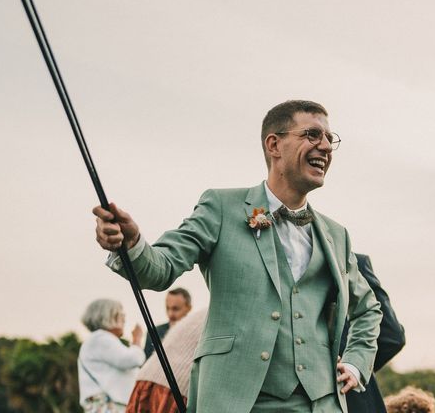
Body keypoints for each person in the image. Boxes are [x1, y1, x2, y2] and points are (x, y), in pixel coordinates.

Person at [93, 100, 382, 412]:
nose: (325, 146)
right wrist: (131, 242)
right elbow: (161, 268)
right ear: (275, 145)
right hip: (235, 400)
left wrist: (355, 362)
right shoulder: (221, 207)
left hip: (318, 402)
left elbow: (368, 308)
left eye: (329, 138)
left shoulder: (336, 235)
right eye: (312, 135)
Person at [340, 253, 405, 413]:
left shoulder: (353, 262)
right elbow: (392, 336)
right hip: (357, 399)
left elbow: (392, 337)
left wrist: (354, 368)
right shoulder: (351, 259)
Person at [127, 309, 207, 412]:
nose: (171, 314)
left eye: (175, 309)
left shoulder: (202, 314)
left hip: (146, 381)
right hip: (171, 389)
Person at [78, 299, 145, 412]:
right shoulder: (101, 338)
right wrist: (137, 340)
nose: (124, 319)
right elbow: (132, 360)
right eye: (120, 314)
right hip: (108, 406)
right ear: (109, 316)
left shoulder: (100, 340)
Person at [143, 287, 192, 359]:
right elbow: (146, 365)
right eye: (167, 308)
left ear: (188, 308)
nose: (170, 314)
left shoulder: (197, 332)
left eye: (176, 309)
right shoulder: (154, 332)